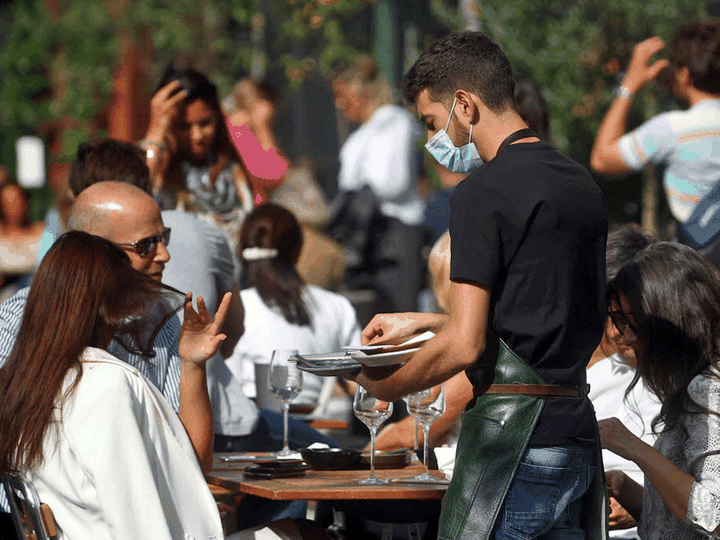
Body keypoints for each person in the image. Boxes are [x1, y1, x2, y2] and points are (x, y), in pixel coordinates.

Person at [351, 31, 608, 540]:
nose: (432, 142)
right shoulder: (580, 182)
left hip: (513, 446)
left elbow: (466, 343)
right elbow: (537, 314)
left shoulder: (480, 194)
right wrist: (424, 321)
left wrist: (380, 384)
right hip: (577, 436)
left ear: (464, 104)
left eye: (431, 122)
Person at [0, 231, 232, 539]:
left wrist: (191, 363)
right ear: (109, 304)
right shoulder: (105, 384)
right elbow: (139, 521)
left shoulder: (24, 378)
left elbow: (187, 462)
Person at [599, 242, 720, 539]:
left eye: (628, 323)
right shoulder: (686, 388)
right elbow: (681, 522)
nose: (621, 337)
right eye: (616, 321)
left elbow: (715, 517)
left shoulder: (706, 389)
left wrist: (633, 448)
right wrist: (633, 493)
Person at [226, 202, 361, 448]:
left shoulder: (235, 306)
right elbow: (363, 381)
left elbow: (226, 386)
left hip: (247, 435)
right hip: (313, 439)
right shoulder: (336, 306)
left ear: (240, 251)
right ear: (298, 252)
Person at [590, 20, 720, 266]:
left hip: (702, 271)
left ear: (684, 74)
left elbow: (602, 159)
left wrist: (629, 85)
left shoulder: (673, 128)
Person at [330, 54, 426, 313]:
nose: (339, 104)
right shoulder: (362, 134)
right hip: (365, 241)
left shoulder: (393, 122)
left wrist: (360, 192)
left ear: (360, 91)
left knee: (398, 315)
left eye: (343, 95)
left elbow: (391, 182)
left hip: (394, 238)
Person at [141, 67, 257, 254]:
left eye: (205, 123)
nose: (196, 136)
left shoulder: (233, 172)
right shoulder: (156, 176)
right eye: (183, 126)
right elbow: (134, 201)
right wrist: (155, 134)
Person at [0, 184, 43, 301]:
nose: (13, 207)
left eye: (16, 201)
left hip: (35, 294)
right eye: (7, 202)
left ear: (25, 202)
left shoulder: (42, 231)